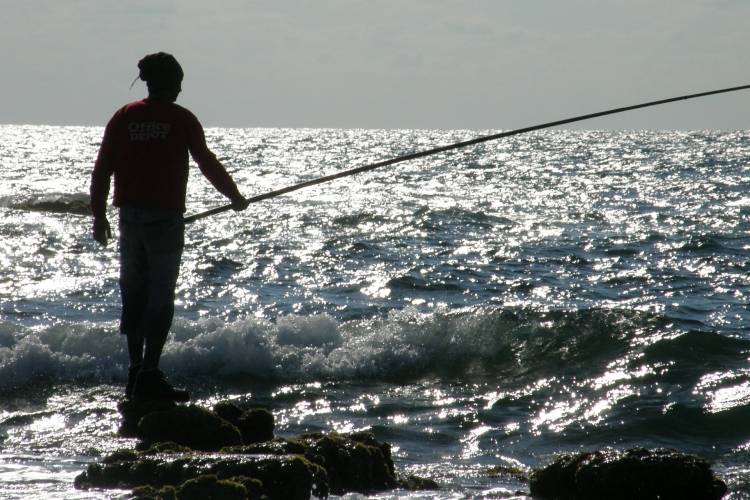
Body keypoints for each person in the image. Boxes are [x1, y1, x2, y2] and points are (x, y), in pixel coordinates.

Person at [90, 52, 249, 402]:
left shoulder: (124, 116)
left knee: (133, 293)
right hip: (164, 219)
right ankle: (149, 374)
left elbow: (103, 167)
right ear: (174, 84)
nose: (180, 89)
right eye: (179, 83)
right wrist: (234, 196)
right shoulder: (181, 118)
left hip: (128, 217)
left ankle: (135, 372)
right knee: (160, 297)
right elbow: (205, 161)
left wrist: (98, 216)